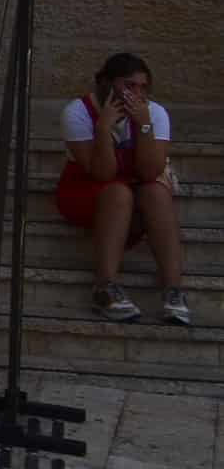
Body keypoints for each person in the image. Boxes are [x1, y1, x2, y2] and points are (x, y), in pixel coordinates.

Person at [57, 51, 189, 325]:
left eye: (143, 87)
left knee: (156, 191)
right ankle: (105, 287)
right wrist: (104, 129)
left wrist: (143, 127)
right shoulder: (77, 112)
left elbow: (150, 171)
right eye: (129, 85)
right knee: (118, 192)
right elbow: (101, 173)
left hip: (134, 188)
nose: (137, 93)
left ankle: (173, 291)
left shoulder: (154, 113)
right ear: (106, 83)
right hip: (87, 190)